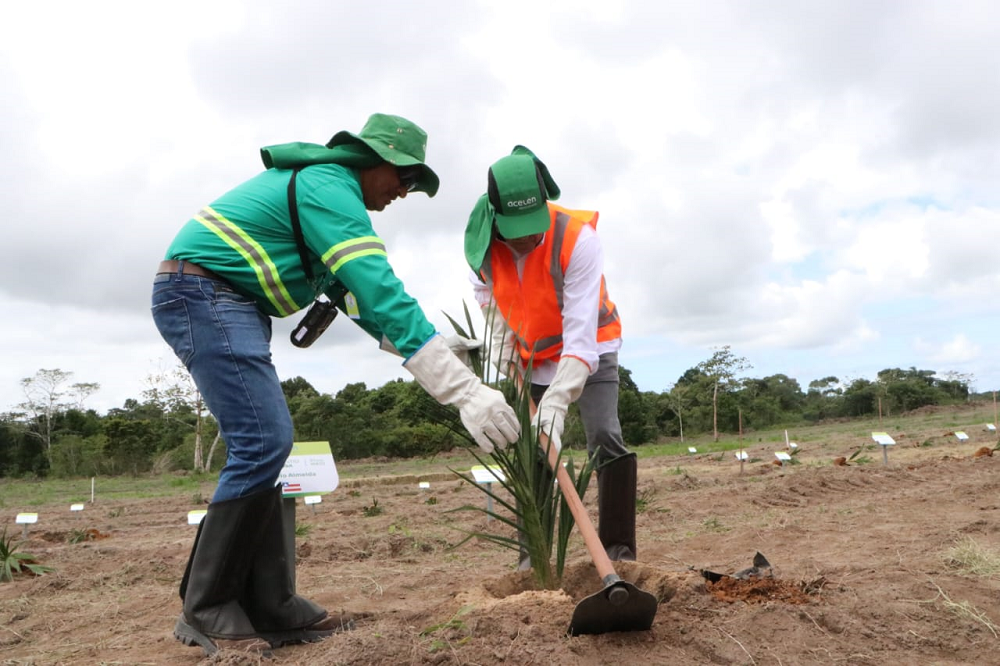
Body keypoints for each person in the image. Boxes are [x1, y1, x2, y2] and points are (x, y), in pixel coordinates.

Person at [152, 113, 519, 656]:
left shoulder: (325, 195)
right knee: (263, 441)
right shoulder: (330, 187)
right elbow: (377, 285)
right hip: (202, 293)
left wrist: (440, 350)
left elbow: (360, 304)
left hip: (228, 302)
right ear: (375, 161)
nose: (405, 191)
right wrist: (462, 391)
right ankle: (205, 608)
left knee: (267, 445)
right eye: (405, 177)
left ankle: (271, 603)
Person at [464, 146, 636, 570]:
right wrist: (501, 351)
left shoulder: (578, 239)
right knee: (536, 449)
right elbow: (487, 298)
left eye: (533, 224)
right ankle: (535, 561)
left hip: (591, 346)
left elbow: (579, 337)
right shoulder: (479, 244)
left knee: (604, 437)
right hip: (531, 356)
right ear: (495, 214)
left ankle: (620, 554)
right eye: (516, 228)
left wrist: (557, 402)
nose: (527, 237)